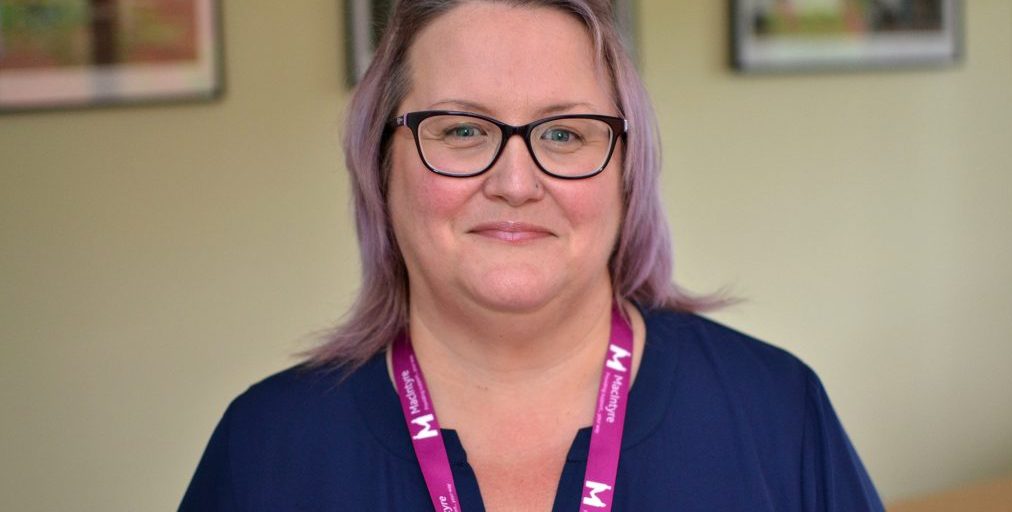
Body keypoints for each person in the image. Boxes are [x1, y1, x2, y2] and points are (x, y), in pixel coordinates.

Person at [179, 1, 885, 510]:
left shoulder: (777, 411)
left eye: (565, 134)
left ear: (627, 172)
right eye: (460, 129)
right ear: (380, 165)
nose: (515, 183)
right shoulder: (265, 448)